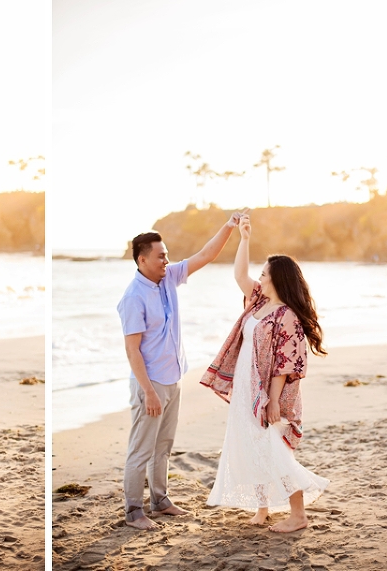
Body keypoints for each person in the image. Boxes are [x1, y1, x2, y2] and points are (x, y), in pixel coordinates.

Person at [116, 211, 244, 531]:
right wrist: (148, 392)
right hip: (151, 383)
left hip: (173, 377)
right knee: (141, 449)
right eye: (161, 257)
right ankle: (134, 511)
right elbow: (132, 350)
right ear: (142, 260)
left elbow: (205, 255)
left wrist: (228, 227)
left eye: (167, 255)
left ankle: (160, 501)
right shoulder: (133, 297)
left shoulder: (168, 278)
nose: (166, 261)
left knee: (164, 446)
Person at [201, 214, 329, 533]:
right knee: (254, 446)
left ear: (277, 278)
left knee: (273, 450)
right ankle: (263, 508)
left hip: (266, 393)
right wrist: (244, 238)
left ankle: (298, 515)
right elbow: (239, 274)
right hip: (246, 388)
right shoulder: (259, 301)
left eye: (264, 272)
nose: (259, 276)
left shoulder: (287, 316)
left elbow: (285, 366)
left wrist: (272, 401)